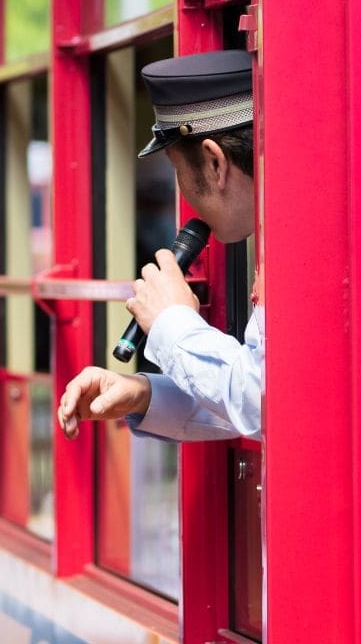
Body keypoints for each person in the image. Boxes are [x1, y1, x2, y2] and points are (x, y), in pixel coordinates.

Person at [57, 50, 263, 442]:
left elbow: (259, 400)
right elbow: (266, 391)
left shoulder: (297, 253)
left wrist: (171, 322)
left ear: (215, 163)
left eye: (177, 170)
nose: (181, 190)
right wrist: (143, 393)